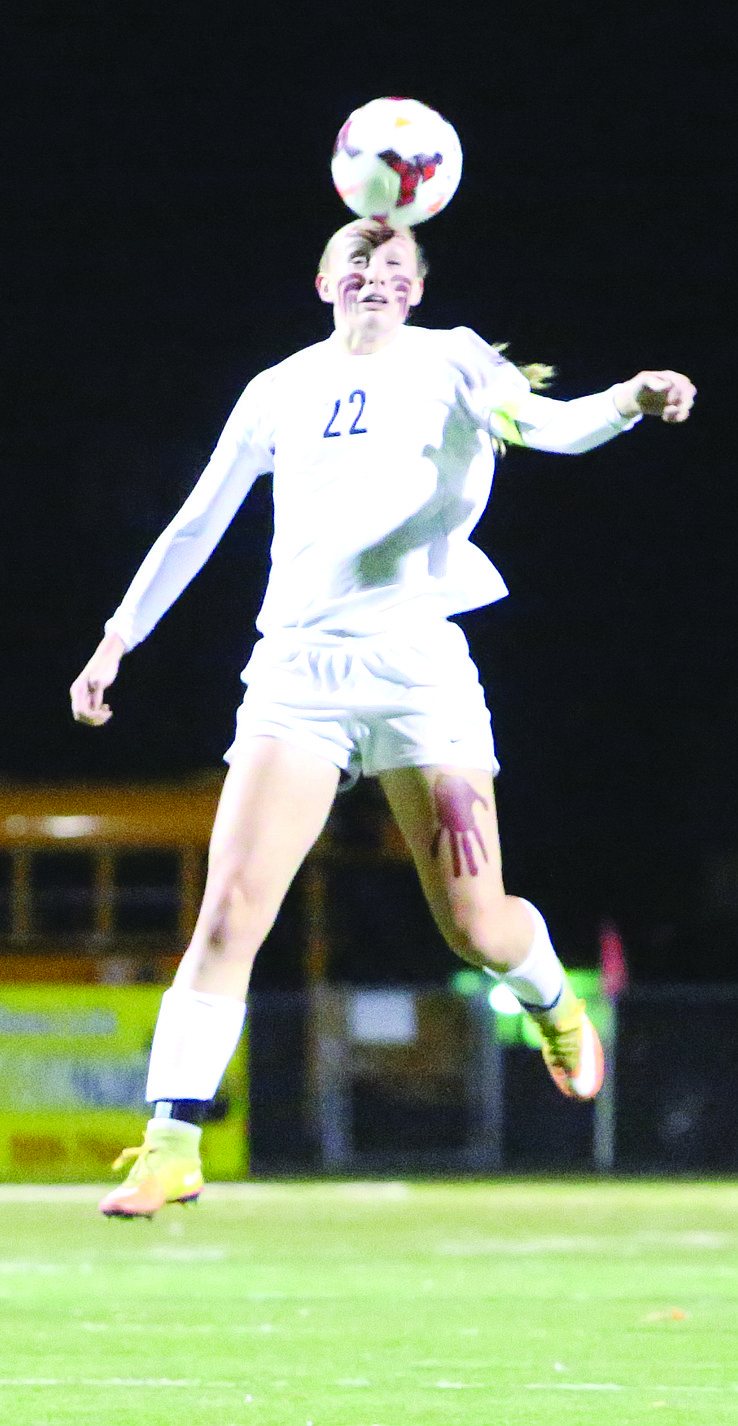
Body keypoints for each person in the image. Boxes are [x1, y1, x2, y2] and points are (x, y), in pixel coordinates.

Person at [70, 218, 696, 1218]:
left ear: (414, 291)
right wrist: (116, 639)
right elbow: (198, 519)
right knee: (231, 909)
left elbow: (551, 427)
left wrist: (630, 399)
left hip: (418, 676)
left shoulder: (455, 360)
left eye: (396, 266)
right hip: (297, 677)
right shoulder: (278, 390)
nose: (376, 276)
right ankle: (172, 1143)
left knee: (475, 924)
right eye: (358, 262)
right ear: (324, 278)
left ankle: (549, 998)